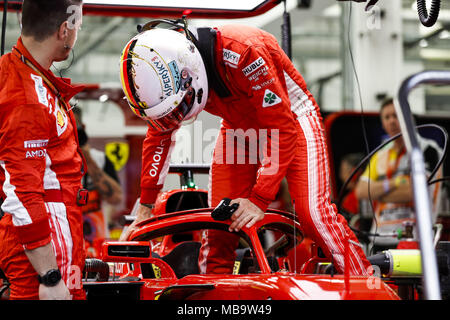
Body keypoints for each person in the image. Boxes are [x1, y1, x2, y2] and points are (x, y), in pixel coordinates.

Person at [119, 21, 371, 276]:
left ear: (189, 71)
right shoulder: (170, 84)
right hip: (237, 126)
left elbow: (281, 128)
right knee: (218, 224)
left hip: (292, 118)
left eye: (178, 109)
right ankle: (212, 297)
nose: (176, 119)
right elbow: (159, 137)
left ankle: (365, 284)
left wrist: (259, 199)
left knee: (314, 215)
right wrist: (145, 207)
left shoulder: (245, 50)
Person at [0, 0, 85, 300]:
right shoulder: (26, 96)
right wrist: (49, 277)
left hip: (49, 235)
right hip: (45, 243)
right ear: (65, 30)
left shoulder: (26, 76)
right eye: (77, 26)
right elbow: (22, 192)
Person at [355, 98, 443, 252]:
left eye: (396, 115)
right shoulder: (380, 154)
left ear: (409, 118)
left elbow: (414, 192)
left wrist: (379, 193)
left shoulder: (426, 149)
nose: (392, 121)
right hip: (380, 237)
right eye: (387, 117)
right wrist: (395, 183)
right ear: (382, 123)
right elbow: (361, 191)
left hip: (414, 238)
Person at [73, 106, 123, 256]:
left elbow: (116, 198)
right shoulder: (51, 162)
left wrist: (87, 158)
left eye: (76, 129)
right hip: (67, 244)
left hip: (97, 246)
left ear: (83, 129)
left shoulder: (99, 159)